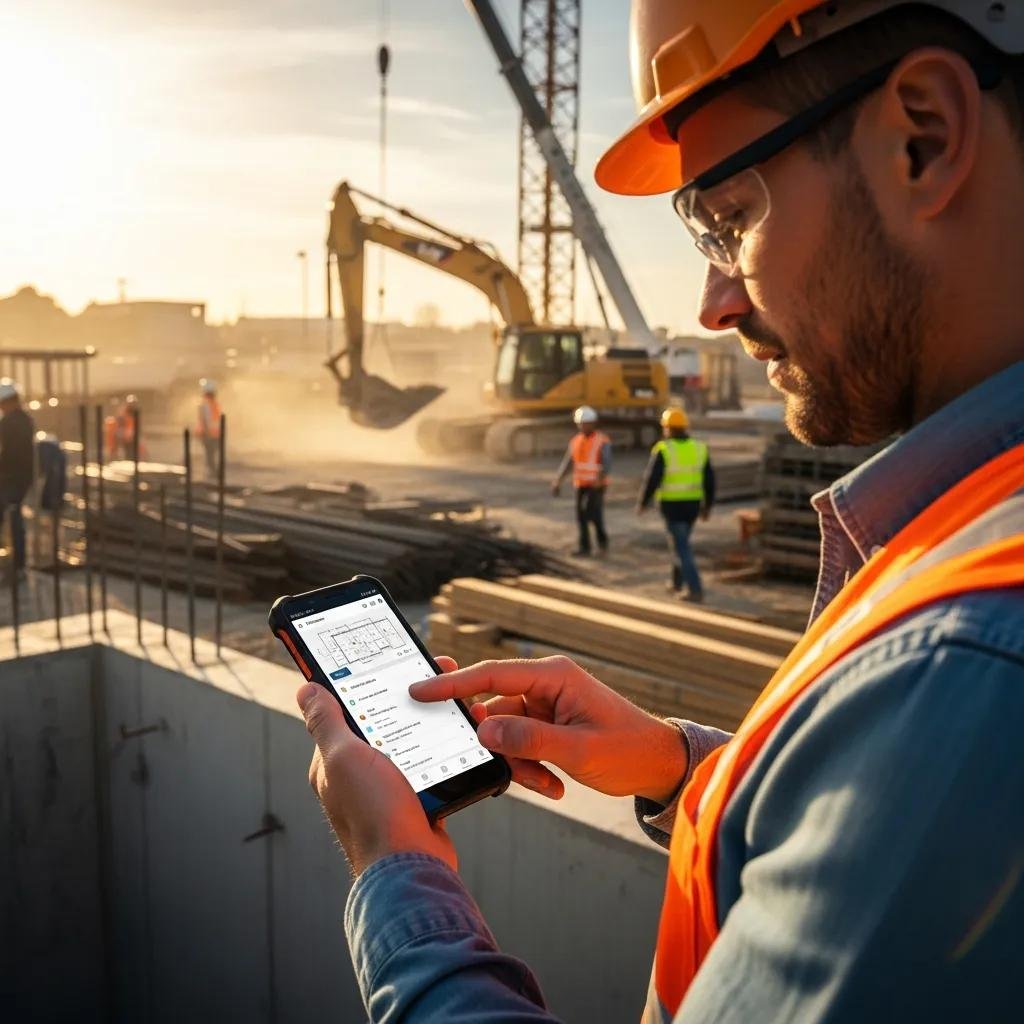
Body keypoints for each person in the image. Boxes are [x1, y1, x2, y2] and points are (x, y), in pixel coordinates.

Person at [294, 2, 1024, 1020]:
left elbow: (928, 779)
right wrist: (685, 766)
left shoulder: (964, 670)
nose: (713, 303)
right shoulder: (971, 555)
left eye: (729, 217)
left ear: (923, 137)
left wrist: (394, 876)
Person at [637, 407, 715, 602]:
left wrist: (643, 502)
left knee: (682, 548)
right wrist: (707, 507)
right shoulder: (699, 448)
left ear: (668, 428)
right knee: (681, 544)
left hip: (672, 506)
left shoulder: (664, 449)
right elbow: (710, 481)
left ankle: (695, 589)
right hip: (693, 507)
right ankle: (676, 583)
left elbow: (652, 479)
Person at [550, 405, 611, 557]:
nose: (583, 426)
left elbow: (607, 463)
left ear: (593, 423)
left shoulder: (602, 441)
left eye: (586, 423)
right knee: (581, 516)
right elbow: (569, 462)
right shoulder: (575, 441)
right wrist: (558, 480)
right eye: (581, 424)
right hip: (580, 484)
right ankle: (585, 548)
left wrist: (600, 478)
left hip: (596, 485)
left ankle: (603, 545)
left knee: (594, 515)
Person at [0, 379, 35, 579]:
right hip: (20, 477)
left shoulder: (9, 422)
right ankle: (18, 564)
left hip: (12, 478)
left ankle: (17, 565)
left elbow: (7, 454)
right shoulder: (25, 419)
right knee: (14, 518)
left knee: (12, 517)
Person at [196, 378, 222, 478]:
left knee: (211, 455)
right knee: (211, 455)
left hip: (211, 434)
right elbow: (207, 421)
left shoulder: (209, 404)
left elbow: (209, 421)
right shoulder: (210, 404)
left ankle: (213, 473)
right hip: (211, 435)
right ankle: (213, 473)